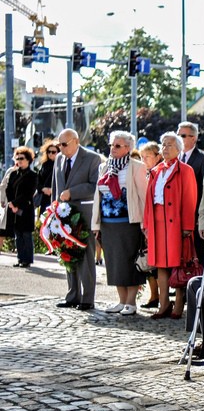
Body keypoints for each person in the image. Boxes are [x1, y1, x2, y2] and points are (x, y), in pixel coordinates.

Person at [91, 131, 148, 316]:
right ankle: (121, 300)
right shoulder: (104, 166)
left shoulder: (137, 167)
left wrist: (144, 224)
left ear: (128, 148)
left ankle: (131, 302)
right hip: (108, 222)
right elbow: (97, 196)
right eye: (111, 145)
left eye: (117, 146)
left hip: (129, 222)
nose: (112, 149)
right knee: (114, 263)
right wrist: (96, 224)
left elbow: (144, 196)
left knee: (130, 262)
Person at [142, 132, 198, 319]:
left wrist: (187, 226)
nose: (165, 148)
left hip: (176, 223)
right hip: (157, 222)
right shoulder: (156, 171)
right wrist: (147, 224)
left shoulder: (186, 170)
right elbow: (149, 201)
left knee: (178, 263)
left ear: (179, 149)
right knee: (160, 265)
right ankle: (164, 303)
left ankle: (179, 303)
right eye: (163, 145)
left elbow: (190, 200)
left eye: (169, 145)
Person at [53, 128, 102, 310]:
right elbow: (56, 187)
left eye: (64, 144)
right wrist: (53, 209)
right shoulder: (59, 159)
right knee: (67, 255)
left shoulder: (92, 158)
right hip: (63, 215)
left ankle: (87, 298)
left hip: (83, 214)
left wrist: (72, 192)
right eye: (59, 144)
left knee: (85, 256)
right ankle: (73, 295)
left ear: (75, 141)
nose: (61, 148)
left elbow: (94, 185)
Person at [177, 121, 204, 263]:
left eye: (184, 135)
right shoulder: (174, 158)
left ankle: (197, 284)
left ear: (194, 138)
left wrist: (201, 216)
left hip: (195, 216)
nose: (180, 138)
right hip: (176, 216)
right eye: (178, 135)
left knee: (197, 256)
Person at [0, 147, 38, 268]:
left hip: (25, 208)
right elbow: (8, 189)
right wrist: (11, 203)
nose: (19, 160)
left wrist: (16, 203)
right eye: (17, 158)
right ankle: (20, 258)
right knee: (17, 235)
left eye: (22, 158)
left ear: (28, 160)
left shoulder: (32, 175)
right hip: (13, 208)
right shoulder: (13, 174)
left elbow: (28, 193)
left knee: (26, 234)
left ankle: (27, 259)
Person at [139, 142, 163, 309]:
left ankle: (162, 297)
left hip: (157, 224)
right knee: (148, 262)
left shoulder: (160, 173)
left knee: (158, 263)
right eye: (142, 157)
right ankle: (153, 295)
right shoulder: (145, 173)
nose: (144, 160)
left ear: (157, 156)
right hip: (144, 222)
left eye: (147, 156)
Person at [34, 140, 59, 213]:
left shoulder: (62, 165)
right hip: (45, 198)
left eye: (53, 152)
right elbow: (38, 181)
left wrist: (53, 190)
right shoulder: (44, 165)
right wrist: (43, 189)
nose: (51, 154)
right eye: (49, 152)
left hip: (57, 197)